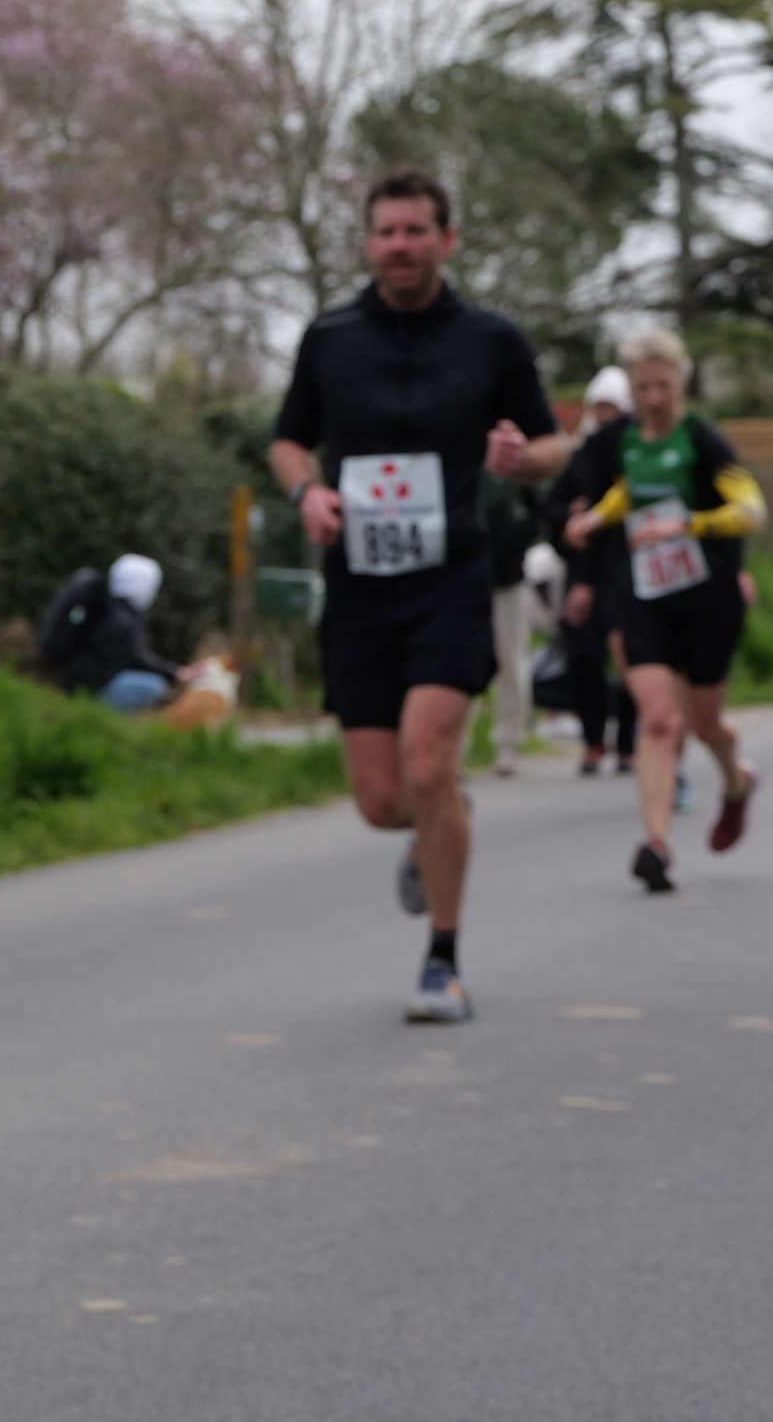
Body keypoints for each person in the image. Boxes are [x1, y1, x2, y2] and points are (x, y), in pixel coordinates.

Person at [267, 172, 570, 1024]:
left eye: (415, 230)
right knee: (383, 801)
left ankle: (443, 961)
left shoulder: (491, 340)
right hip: (360, 589)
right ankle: (444, 817)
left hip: (451, 581)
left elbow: (553, 445)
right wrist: (307, 495)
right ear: (368, 243)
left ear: (447, 238)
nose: (400, 246)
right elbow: (288, 442)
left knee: (429, 760)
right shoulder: (329, 338)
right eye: (386, 232)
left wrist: (521, 457)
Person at [563, 328, 765, 892]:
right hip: (647, 596)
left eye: (663, 386)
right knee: (657, 719)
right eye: (643, 388)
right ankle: (656, 842)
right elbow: (631, 489)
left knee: (705, 724)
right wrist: (596, 518)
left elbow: (752, 511)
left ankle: (736, 781)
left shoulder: (704, 441)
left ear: (682, 382)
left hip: (708, 599)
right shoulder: (626, 440)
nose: (653, 399)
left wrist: (688, 525)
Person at [547, 367, 638, 777]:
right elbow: (554, 509)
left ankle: (629, 744)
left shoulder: (636, 454)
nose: (604, 417)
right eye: (599, 408)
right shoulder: (582, 456)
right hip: (585, 574)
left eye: (611, 408)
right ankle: (593, 740)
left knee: (631, 660)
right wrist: (569, 518)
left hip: (626, 575)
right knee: (585, 657)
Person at [39, 554, 211, 713]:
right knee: (153, 686)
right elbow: (135, 658)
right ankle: (95, 714)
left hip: (74, 677)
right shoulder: (121, 620)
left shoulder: (108, 606)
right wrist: (174, 673)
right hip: (86, 683)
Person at [481, 476, 538, 773]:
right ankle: (451, 750)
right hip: (465, 582)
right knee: (456, 665)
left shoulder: (514, 476)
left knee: (511, 662)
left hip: (507, 581)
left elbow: (537, 513)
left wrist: (514, 543)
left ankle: (509, 744)